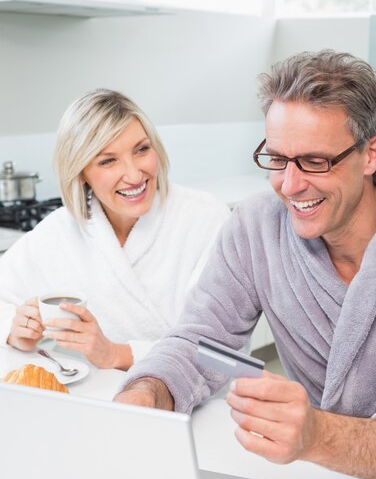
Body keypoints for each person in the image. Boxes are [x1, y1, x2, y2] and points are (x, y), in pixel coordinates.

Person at [115, 50, 376, 479]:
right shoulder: (257, 227)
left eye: (315, 161)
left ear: (371, 154)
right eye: (277, 158)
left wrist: (317, 435)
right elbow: (199, 341)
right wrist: (143, 394)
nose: (290, 186)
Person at [0, 89, 230, 369]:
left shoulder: (206, 219)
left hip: (195, 404)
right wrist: (15, 330)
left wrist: (114, 354)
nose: (134, 175)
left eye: (142, 149)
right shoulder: (59, 231)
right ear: (81, 171)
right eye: (108, 160)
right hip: (94, 399)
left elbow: (225, 357)